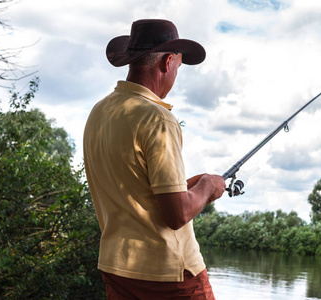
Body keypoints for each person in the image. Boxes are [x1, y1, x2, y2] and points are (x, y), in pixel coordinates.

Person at [83, 19, 226, 299]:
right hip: (168, 273)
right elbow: (177, 215)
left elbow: (135, 190)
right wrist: (208, 186)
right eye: (178, 67)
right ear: (167, 62)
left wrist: (186, 188)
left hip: (117, 269)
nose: (176, 74)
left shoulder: (99, 112)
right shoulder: (157, 118)